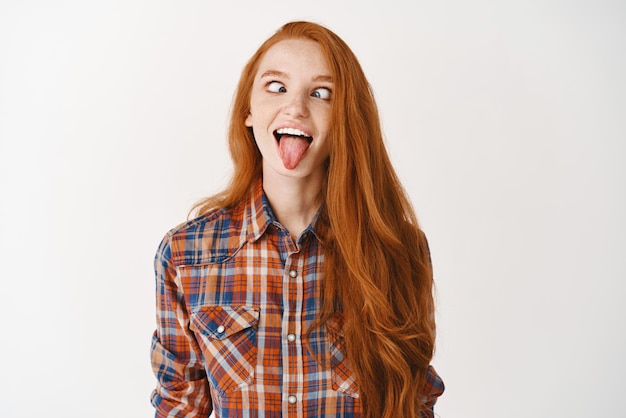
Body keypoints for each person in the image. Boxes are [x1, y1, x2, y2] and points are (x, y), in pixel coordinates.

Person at [150, 20, 444, 418]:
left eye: (321, 94)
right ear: (248, 111)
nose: (296, 107)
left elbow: (415, 403)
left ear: (343, 120)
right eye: (276, 87)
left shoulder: (398, 250)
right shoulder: (185, 255)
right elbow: (180, 406)